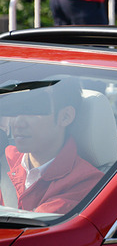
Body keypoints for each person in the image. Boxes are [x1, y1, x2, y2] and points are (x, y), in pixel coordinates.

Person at [0, 79, 103, 213]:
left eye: (33, 110)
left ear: (65, 117)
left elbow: (32, 233)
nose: (18, 123)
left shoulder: (86, 183)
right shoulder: (6, 158)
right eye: (16, 110)